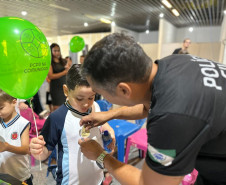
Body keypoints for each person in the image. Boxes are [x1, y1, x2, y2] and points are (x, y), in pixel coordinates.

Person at [78, 33, 226, 185]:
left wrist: (100, 156)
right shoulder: (173, 63)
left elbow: (149, 183)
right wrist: (109, 115)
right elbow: (149, 106)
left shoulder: (171, 117)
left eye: (100, 93)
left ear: (124, 90)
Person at [30, 64, 115, 185]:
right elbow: (44, 153)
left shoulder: (95, 106)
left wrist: (109, 130)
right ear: (66, 91)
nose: (86, 104)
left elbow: (103, 124)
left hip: (97, 179)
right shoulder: (57, 118)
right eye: (79, 99)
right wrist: (37, 151)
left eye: (91, 97)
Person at [0, 90, 32, 184]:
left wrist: (7, 147)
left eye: (1, 108)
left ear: (14, 102)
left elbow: (26, 149)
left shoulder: (22, 124)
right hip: (3, 175)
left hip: (20, 176)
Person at [48, 43, 69, 111]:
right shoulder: (50, 62)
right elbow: (50, 76)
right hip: (56, 88)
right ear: (51, 51)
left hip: (64, 86)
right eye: (55, 51)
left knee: (66, 106)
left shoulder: (63, 61)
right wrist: (63, 72)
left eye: (58, 50)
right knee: (57, 108)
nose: (57, 52)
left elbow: (67, 71)